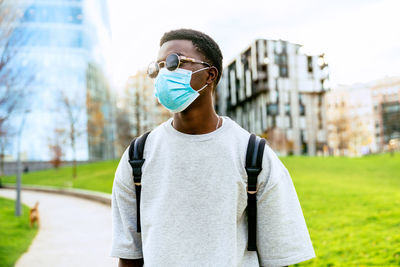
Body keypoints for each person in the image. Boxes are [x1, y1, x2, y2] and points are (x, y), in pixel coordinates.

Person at [111, 29, 315, 267]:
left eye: (175, 62)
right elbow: (129, 257)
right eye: (158, 67)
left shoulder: (254, 155)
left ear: (210, 75)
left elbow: (278, 258)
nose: (164, 74)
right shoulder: (137, 157)